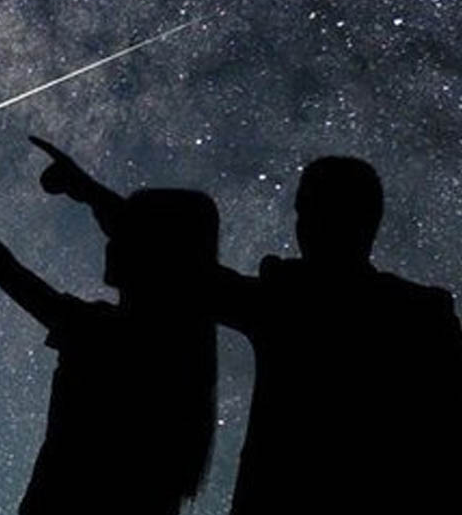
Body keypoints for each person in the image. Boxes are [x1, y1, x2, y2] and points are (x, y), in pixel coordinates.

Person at [37, 147, 462, 513]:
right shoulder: (422, 314)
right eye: (303, 211)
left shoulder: (290, 303)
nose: (303, 225)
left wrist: (89, 193)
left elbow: (179, 265)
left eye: (309, 210)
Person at [0, 147, 220, 515]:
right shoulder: (180, 348)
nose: (109, 242)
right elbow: (164, 247)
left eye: (121, 235)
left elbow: (2, 267)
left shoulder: (104, 334)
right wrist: (87, 190)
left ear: (152, 255)